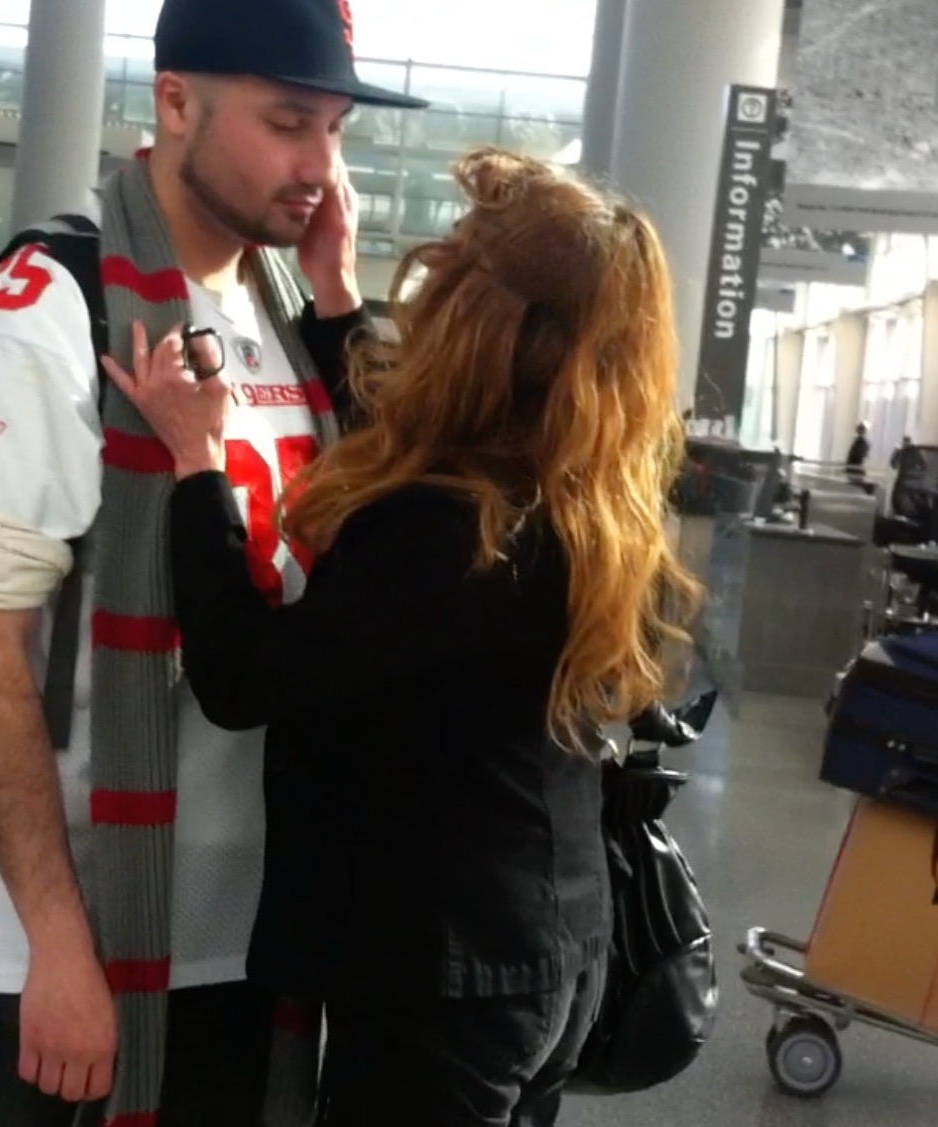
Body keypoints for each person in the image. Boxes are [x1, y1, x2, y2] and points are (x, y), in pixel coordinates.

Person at [104, 148, 700, 1126]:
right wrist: (335, 295)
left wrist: (199, 464)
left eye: (443, 281)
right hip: (545, 944)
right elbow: (417, 457)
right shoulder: (568, 485)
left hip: (443, 983)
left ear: (476, 327)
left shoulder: (450, 527)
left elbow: (243, 674)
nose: (419, 302)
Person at [0, 0, 426, 1123]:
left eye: (334, 130)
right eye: (288, 122)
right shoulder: (45, 310)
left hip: (252, 932)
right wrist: (54, 943)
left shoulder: (286, 309)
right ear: (176, 103)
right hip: (69, 938)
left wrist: (339, 293)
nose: (319, 166)